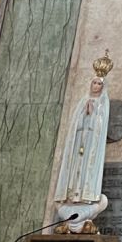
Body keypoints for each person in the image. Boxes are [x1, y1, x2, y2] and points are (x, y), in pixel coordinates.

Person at [49, 57, 113, 231]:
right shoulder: (82, 101)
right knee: (75, 168)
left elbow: (101, 127)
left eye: (99, 84)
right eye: (94, 83)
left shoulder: (102, 104)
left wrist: (93, 115)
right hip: (78, 143)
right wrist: (83, 116)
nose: (96, 86)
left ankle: (85, 196)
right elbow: (73, 125)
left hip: (91, 145)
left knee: (87, 169)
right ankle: (72, 196)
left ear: (103, 87)